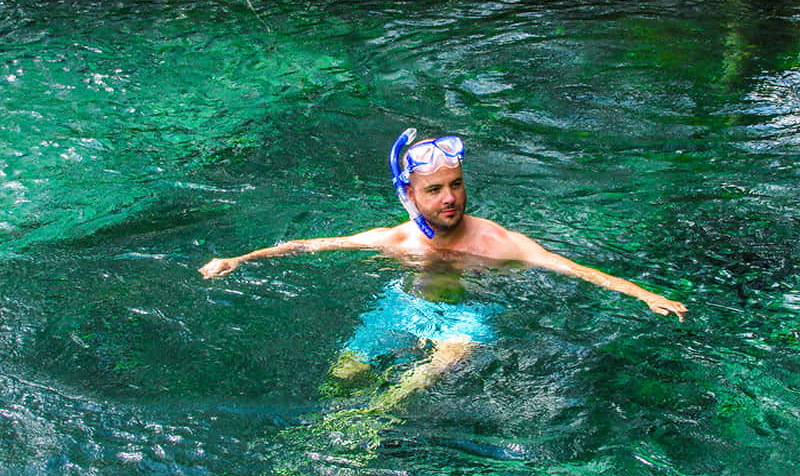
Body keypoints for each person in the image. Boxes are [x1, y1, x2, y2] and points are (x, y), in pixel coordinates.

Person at [199, 129, 687, 406]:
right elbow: (312, 245)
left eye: (455, 184)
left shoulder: (497, 242)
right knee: (343, 374)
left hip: (466, 318)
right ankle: (324, 418)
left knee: (414, 384)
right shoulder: (396, 239)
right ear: (409, 195)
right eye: (434, 190)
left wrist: (645, 294)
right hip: (403, 305)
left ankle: (363, 427)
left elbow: (572, 268)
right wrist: (238, 260)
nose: (450, 197)